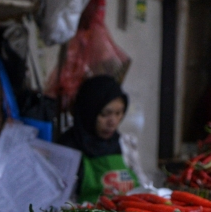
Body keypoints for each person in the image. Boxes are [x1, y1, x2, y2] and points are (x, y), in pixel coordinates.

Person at [58, 75, 151, 203]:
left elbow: (143, 186)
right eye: (105, 114)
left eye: (118, 113)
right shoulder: (67, 149)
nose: (112, 122)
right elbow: (61, 203)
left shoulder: (125, 144)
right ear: (89, 112)